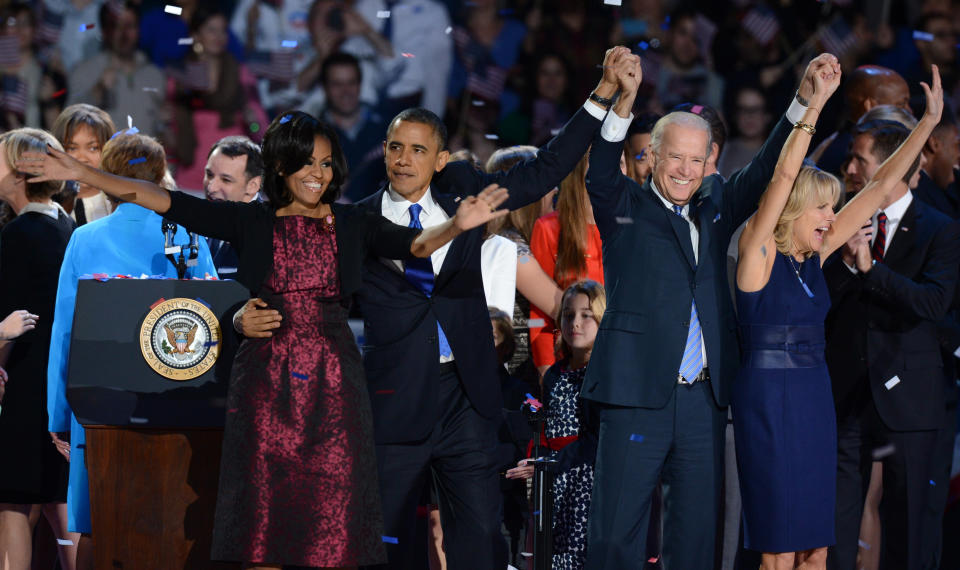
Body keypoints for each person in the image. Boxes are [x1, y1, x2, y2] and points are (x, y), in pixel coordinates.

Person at [17, 110, 509, 569]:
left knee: (332, 529)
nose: (317, 173)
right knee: (264, 527)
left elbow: (415, 245)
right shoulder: (251, 221)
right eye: (304, 162)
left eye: (324, 162)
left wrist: (455, 226)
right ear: (280, 166)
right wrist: (85, 175)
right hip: (266, 390)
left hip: (336, 391)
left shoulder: (353, 222)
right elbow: (159, 197)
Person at [580, 53, 836, 569]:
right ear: (652, 155)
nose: (686, 170)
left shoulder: (715, 204)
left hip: (704, 401)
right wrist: (623, 101)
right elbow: (601, 166)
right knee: (614, 539)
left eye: (697, 160)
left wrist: (805, 99)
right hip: (636, 395)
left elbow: (767, 167)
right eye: (675, 157)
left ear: (708, 161)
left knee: (696, 543)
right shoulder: (623, 204)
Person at [733, 59, 939, 570]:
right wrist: (816, 103)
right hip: (768, 404)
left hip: (814, 401)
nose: (833, 217)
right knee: (778, 552)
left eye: (833, 209)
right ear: (793, 210)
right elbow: (783, 173)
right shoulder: (759, 252)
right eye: (823, 209)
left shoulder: (815, 259)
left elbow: (879, 187)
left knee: (817, 549)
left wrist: (928, 126)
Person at [46, 133, 217, 570]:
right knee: (171, 518)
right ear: (160, 177)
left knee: (96, 523)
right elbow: (215, 323)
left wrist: (58, 415)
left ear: (105, 179)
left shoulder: (84, 239)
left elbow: (65, 332)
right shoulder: (190, 236)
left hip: (98, 403)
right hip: (181, 403)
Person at [824, 75, 959, 570]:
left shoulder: (941, 230)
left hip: (911, 400)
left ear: (889, 165)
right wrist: (840, 258)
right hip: (844, 396)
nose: (849, 166)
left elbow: (932, 304)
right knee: (835, 525)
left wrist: (870, 268)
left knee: (908, 531)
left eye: (859, 158)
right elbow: (818, 299)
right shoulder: (837, 219)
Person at [0, 128, 77, 570]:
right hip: (60, 390)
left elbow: (12, 322)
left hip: (23, 388)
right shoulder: (69, 226)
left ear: (17, 173)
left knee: (13, 504)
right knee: (58, 501)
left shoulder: (19, 235)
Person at [506, 280, 605, 570]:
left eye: (586, 315)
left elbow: (597, 439)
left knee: (580, 553)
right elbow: (547, 428)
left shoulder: (602, 374)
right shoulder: (554, 375)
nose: (575, 322)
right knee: (551, 553)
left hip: (586, 480)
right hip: (552, 479)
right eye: (568, 314)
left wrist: (552, 461)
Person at [169, 7, 267, 193]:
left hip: (234, 184)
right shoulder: (181, 79)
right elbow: (171, 139)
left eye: (223, 30)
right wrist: (164, 123)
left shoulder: (241, 75)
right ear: (196, 35)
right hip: (192, 183)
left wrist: (252, 122)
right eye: (211, 30)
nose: (219, 36)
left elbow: (260, 133)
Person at [529, 153, 604, 374]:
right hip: (570, 364)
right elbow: (539, 315)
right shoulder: (549, 229)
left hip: (623, 359)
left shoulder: (634, 226)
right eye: (602, 161)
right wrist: (546, 371)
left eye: (619, 163)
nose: (612, 170)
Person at [67, 1, 166, 140]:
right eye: (116, 26)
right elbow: (68, 126)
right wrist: (98, 91)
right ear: (105, 30)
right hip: (105, 160)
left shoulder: (154, 75)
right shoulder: (84, 72)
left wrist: (166, 124)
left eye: (129, 26)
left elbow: (163, 133)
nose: (123, 34)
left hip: (144, 159)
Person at [810, 65, 911, 178]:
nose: (909, 111)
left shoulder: (840, 141)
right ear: (871, 106)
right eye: (901, 104)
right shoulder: (846, 154)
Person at [202, 135, 264, 278]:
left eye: (226, 180)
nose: (211, 188)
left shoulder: (266, 234)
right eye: (209, 174)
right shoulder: (205, 219)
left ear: (253, 185)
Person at [51, 104, 116, 225]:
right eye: (72, 148)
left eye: (93, 148)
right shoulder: (48, 205)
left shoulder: (122, 201)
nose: (82, 159)